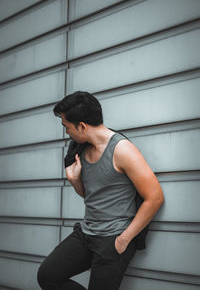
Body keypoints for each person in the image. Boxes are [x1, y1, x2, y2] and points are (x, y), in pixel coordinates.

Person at [37, 91, 164, 290]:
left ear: (82, 126)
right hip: (87, 233)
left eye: (67, 127)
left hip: (113, 238)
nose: (66, 132)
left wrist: (125, 238)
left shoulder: (121, 149)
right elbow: (91, 197)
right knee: (48, 276)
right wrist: (75, 181)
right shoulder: (81, 150)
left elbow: (155, 197)